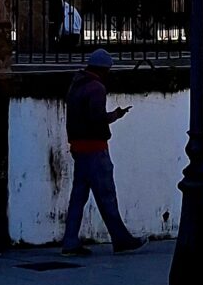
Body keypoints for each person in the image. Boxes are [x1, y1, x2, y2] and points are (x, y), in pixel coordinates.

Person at [61, 49, 144, 254]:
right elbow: (96, 118)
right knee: (107, 196)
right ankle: (121, 239)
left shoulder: (75, 85)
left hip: (79, 148)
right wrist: (114, 116)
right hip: (95, 148)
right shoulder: (96, 88)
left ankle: (70, 241)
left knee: (78, 198)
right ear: (104, 69)